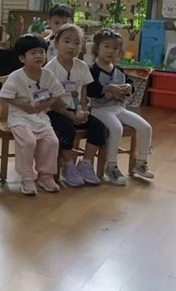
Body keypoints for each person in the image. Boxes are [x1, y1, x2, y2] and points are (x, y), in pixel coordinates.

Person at [87, 29, 155, 185]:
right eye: (106, 46)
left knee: (146, 127)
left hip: (119, 108)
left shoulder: (119, 70)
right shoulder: (92, 70)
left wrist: (128, 87)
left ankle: (141, 162)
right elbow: (91, 90)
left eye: (115, 48)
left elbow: (130, 85)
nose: (111, 51)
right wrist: (108, 89)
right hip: (99, 110)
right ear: (97, 48)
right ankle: (111, 166)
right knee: (116, 129)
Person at [0, 34, 64, 196]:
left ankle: (45, 176)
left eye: (41, 52)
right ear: (22, 58)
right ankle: (27, 178)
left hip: (40, 117)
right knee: (28, 141)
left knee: (52, 141)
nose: (38, 56)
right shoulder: (16, 76)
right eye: (33, 53)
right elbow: (5, 96)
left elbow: (57, 94)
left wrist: (44, 105)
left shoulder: (48, 75)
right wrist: (23, 105)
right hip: (19, 118)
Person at [44, 23, 106, 187]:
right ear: (56, 44)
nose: (71, 46)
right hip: (55, 111)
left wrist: (83, 111)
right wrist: (68, 114)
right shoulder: (50, 68)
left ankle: (86, 163)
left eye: (77, 43)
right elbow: (51, 99)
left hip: (76, 109)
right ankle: (68, 165)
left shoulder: (82, 66)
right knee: (67, 128)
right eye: (66, 41)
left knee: (99, 127)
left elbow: (83, 90)